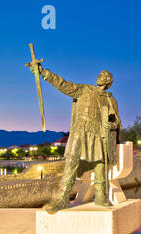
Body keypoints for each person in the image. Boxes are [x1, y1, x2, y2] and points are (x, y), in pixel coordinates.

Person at [28, 64, 121, 214]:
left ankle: (101, 196)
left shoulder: (111, 100)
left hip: (99, 133)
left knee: (100, 164)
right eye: (100, 74)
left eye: (104, 76)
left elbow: (117, 121)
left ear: (108, 83)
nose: (100, 77)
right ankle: (62, 199)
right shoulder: (84, 90)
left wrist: (110, 124)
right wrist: (44, 73)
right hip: (81, 130)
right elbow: (63, 85)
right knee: (71, 163)